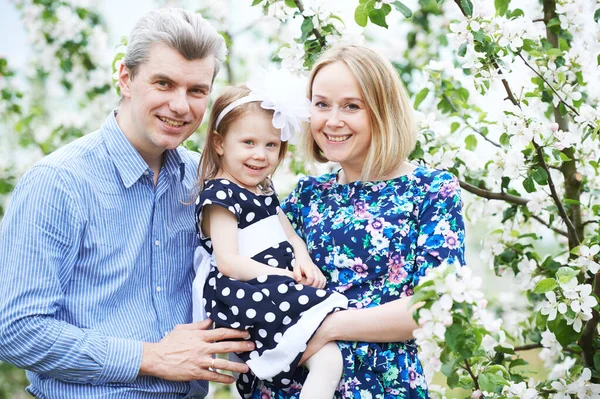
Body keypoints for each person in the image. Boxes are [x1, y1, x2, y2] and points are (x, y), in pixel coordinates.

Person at [0, 8, 254, 399]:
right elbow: (17, 330)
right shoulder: (58, 184)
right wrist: (148, 357)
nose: (181, 106)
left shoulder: (205, 181)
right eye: (164, 84)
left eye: (197, 90)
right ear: (125, 78)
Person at [251, 44, 466, 399]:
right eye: (321, 105)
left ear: (382, 111)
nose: (332, 121)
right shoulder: (307, 196)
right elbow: (259, 272)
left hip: (383, 386)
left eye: (351, 106)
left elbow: (433, 305)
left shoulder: (431, 190)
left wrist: (325, 327)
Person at [192, 74, 348, 399]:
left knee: (327, 360)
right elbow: (229, 262)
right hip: (248, 290)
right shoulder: (220, 194)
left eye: (271, 145)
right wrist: (284, 277)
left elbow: (289, 234)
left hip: (275, 284)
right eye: (248, 142)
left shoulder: (262, 189)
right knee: (328, 359)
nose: (260, 155)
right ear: (220, 143)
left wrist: (303, 261)